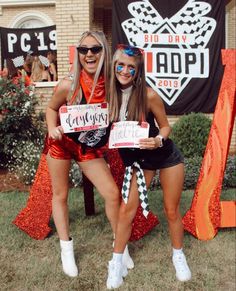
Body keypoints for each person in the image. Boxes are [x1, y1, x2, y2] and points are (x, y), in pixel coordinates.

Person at [45, 31, 133, 278]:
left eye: (95, 49)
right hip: (62, 144)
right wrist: (52, 128)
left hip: (87, 147)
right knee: (60, 194)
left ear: (104, 51)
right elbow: (51, 108)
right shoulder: (68, 83)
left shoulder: (114, 85)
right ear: (78, 53)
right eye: (84, 50)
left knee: (112, 193)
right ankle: (66, 249)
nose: (90, 54)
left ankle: (120, 246)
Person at [106, 44, 191, 289]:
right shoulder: (108, 95)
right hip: (140, 161)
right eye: (120, 65)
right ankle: (116, 262)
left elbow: (166, 126)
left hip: (165, 156)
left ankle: (178, 255)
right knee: (126, 211)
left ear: (138, 72)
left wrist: (158, 140)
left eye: (130, 68)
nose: (124, 71)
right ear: (113, 67)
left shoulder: (148, 95)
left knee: (171, 210)